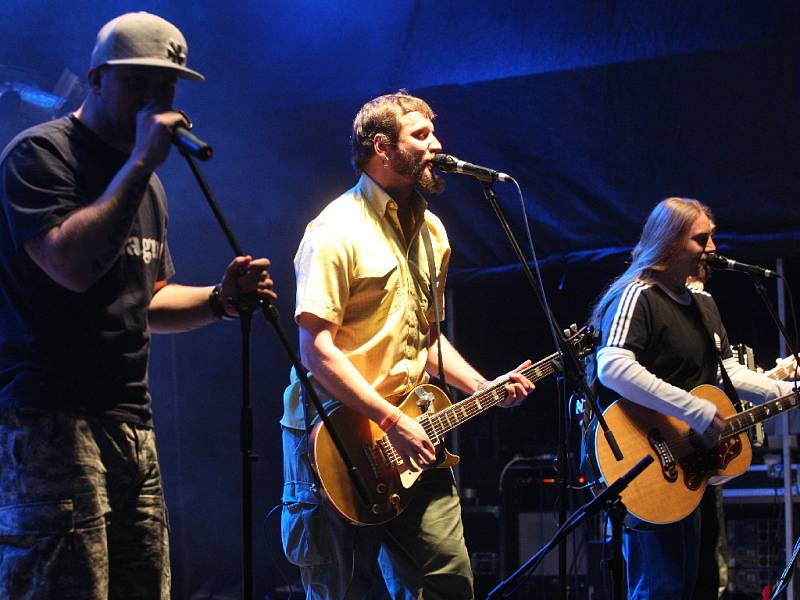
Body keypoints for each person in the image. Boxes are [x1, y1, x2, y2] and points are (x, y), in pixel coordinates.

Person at [0, 12, 276, 600]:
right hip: (53, 419)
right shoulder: (40, 157)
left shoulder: (145, 186)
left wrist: (220, 301)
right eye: (139, 84)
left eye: (167, 87)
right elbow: (69, 268)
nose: (156, 101)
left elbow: (147, 299)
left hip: (131, 422)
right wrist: (140, 164)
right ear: (97, 79)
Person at [280, 91, 535, 599]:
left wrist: (483, 386)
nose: (437, 145)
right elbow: (316, 350)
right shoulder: (334, 231)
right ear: (381, 146)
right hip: (335, 435)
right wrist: (391, 420)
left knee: (449, 581)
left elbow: (428, 338)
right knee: (341, 587)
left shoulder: (433, 233)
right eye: (421, 135)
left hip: (413, 435)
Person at [588, 197, 796, 599]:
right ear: (669, 243)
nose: (713, 249)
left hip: (697, 465)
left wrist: (786, 391)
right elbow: (611, 366)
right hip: (650, 460)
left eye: (712, 238)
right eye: (702, 239)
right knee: (663, 587)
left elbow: (725, 371)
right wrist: (692, 408)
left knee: (703, 584)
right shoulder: (638, 295)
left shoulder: (702, 302)